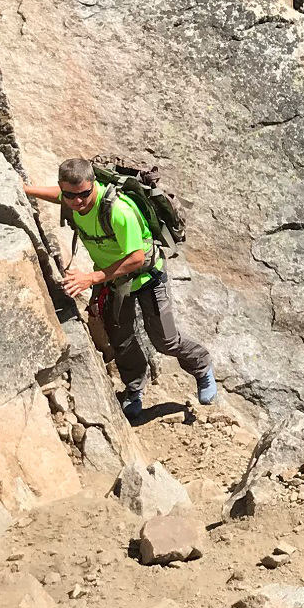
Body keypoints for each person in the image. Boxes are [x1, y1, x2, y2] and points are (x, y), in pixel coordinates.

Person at [26, 157, 217, 419]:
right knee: (122, 339)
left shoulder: (118, 211)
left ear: (93, 184)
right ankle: (134, 389)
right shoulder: (71, 197)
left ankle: (202, 366)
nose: (77, 201)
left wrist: (91, 278)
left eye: (83, 194)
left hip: (147, 276)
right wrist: (23, 189)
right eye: (70, 195)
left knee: (165, 340)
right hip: (113, 281)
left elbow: (136, 258)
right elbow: (57, 195)